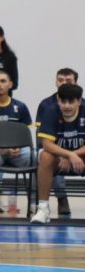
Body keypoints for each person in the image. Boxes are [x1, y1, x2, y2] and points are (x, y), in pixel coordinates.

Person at [30, 83, 85, 224]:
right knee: (45, 156)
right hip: (58, 159)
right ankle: (43, 209)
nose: (67, 106)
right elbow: (47, 144)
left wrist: (73, 155)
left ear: (79, 101)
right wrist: (68, 155)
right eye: (63, 101)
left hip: (80, 158)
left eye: (71, 102)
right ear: (58, 100)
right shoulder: (50, 111)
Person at [34, 68, 77, 216]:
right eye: (60, 80)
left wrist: (71, 154)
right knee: (46, 157)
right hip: (54, 151)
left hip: (78, 152)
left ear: (75, 83)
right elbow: (42, 139)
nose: (64, 83)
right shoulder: (46, 105)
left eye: (68, 80)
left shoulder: (82, 106)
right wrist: (64, 154)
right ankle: (52, 201)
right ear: (55, 82)